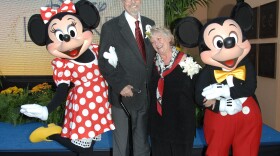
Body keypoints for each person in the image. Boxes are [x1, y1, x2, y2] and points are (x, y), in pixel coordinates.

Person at [20, 1, 115, 156]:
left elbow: (108, 72)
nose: (68, 41)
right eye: (59, 37)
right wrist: (47, 109)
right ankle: (52, 134)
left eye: (72, 32)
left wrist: (114, 63)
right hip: (83, 107)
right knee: (83, 149)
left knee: (89, 145)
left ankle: (53, 132)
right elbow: (62, 91)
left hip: (100, 104)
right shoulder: (63, 64)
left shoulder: (96, 50)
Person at [175, 2, 262, 156]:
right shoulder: (208, 72)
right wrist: (219, 105)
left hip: (247, 116)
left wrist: (223, 90)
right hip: (219, 117)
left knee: (247, 151)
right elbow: (199, 97)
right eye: (219, 43)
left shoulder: (246, 64)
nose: (228, 49)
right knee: (216, 151)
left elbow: (250, 87)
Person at [98, 0, 155, 156]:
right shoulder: (111, 27)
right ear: (123, 1)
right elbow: (104, 61)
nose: (133, 2)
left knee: (142, 143)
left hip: (145, 94)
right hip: (123, 94)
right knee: (121, 145)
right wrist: (121, 85)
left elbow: (152, 56)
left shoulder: (150, 24)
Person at [147, 25, 201, 156]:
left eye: (159, 39)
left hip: (181, 125)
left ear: (169, 38)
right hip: (158, 125)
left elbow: (198, 90)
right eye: (153, 42)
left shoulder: (187, 62)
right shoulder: (152, 64)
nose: (157, 44)